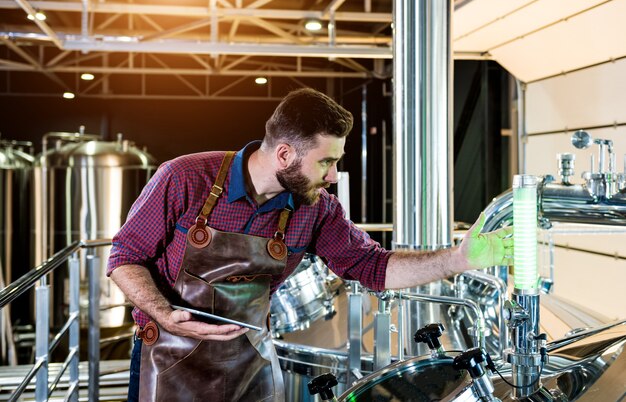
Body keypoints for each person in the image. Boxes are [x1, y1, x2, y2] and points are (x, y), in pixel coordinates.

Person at [107, 88, 513, 402]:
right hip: (170, 360)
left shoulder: (315, 210)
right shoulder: (184, 178)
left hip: (251, 367)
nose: (334, 176)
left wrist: (459, 259)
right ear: (284, 154)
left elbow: (374, 267)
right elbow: (125, 257)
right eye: (325, 162)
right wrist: (164, 313)